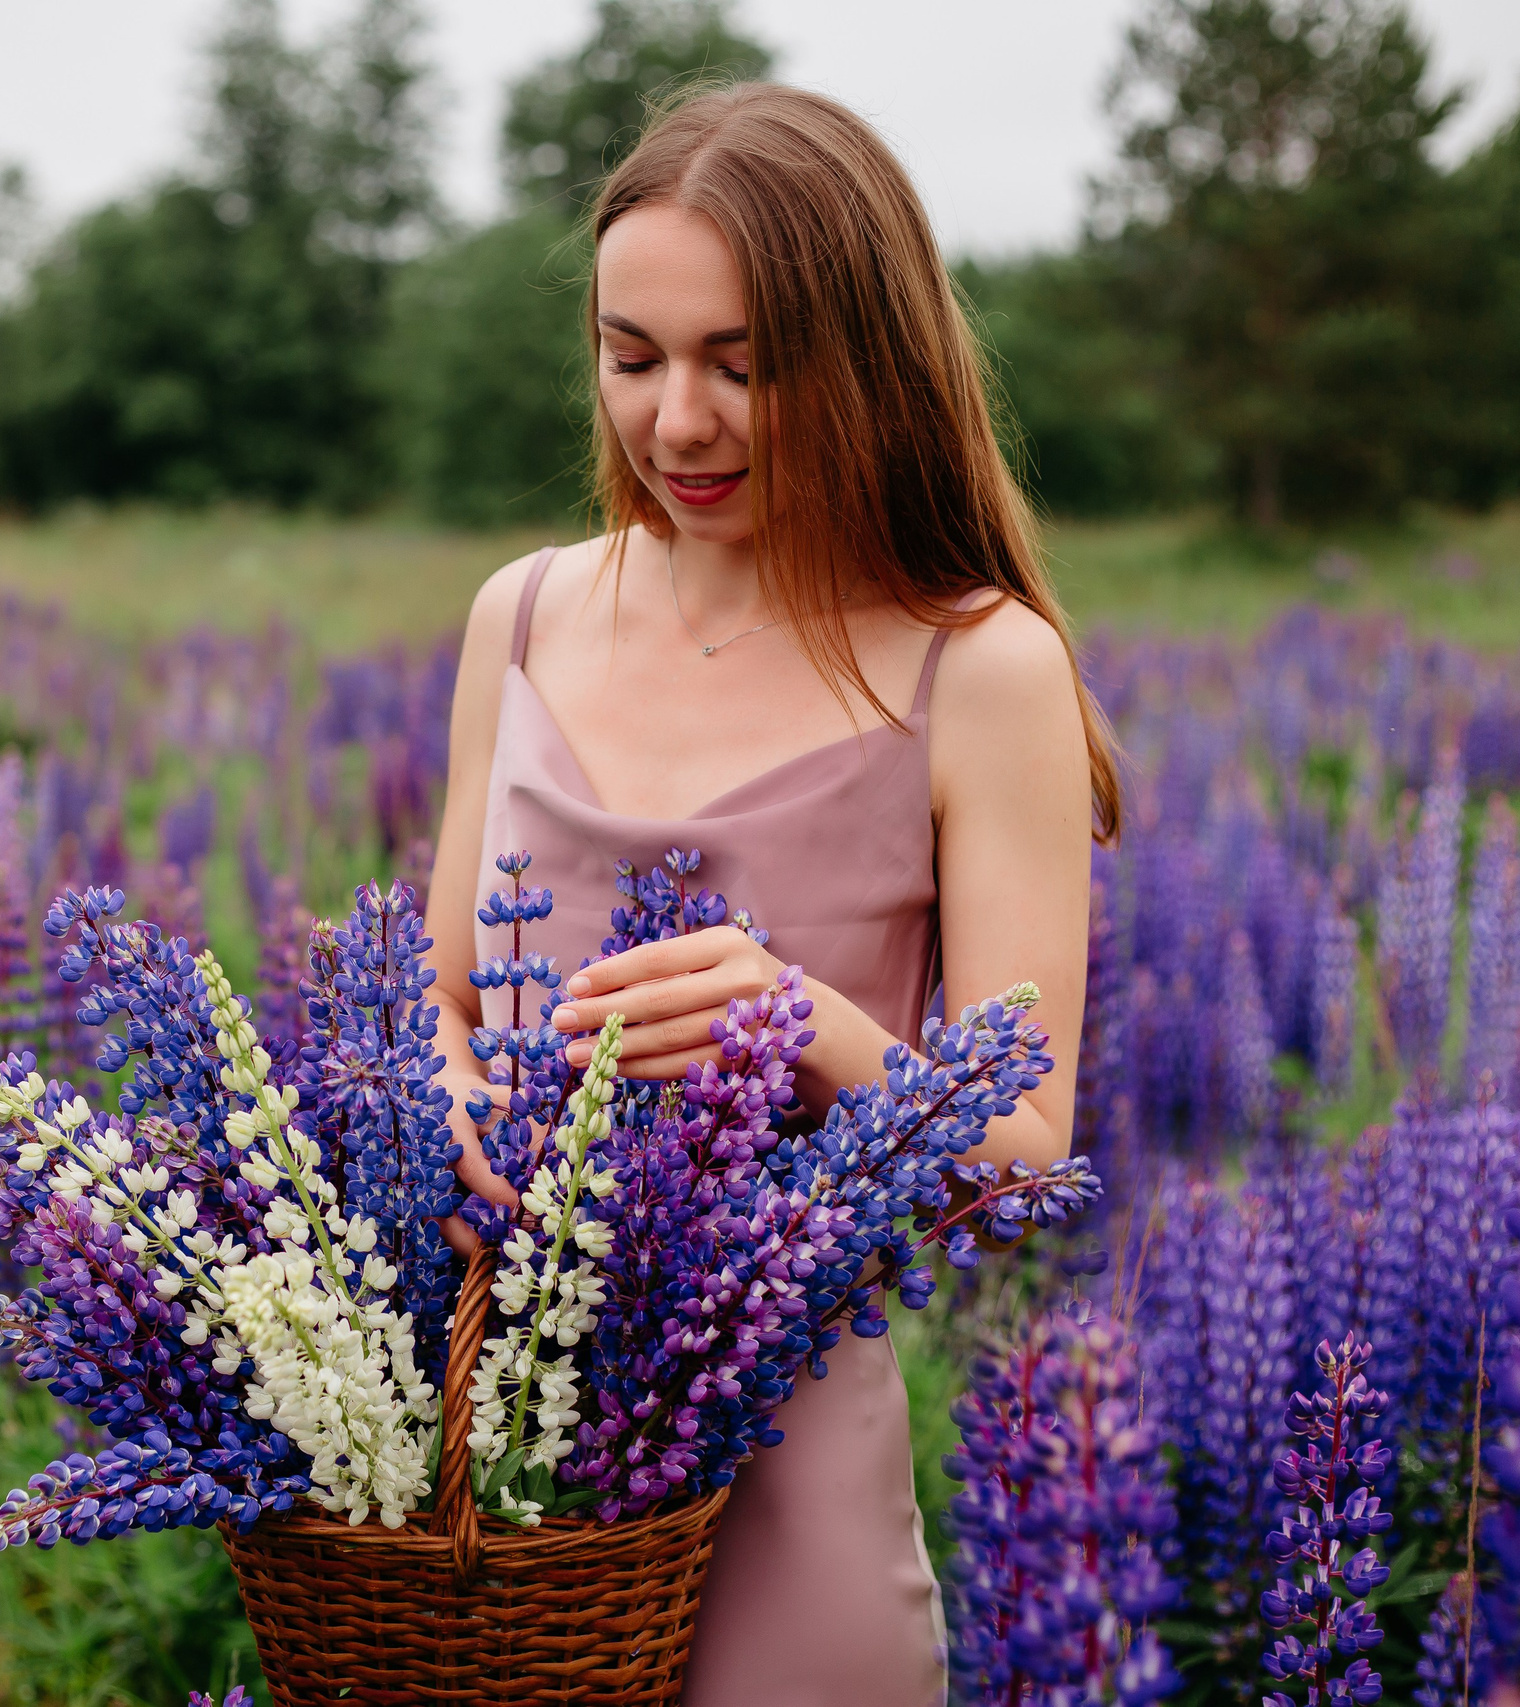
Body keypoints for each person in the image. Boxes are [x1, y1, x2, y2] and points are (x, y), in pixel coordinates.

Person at [421, 82, 1122, 1706]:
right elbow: (449, 993)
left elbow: (1026, 1165)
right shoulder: (518, 617)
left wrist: (788, 1017)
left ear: (867, 353)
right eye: (633, 355)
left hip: (784, 1463)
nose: (678, 423)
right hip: (488, 1457)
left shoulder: (979, 666)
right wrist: (442, 1092)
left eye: (746, 363)